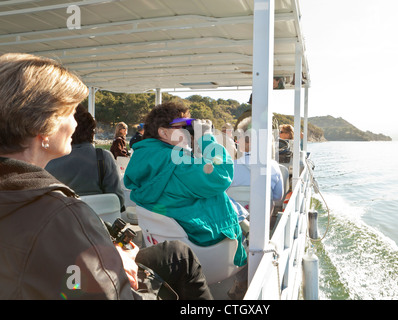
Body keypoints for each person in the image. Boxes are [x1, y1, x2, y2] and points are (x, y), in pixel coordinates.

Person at [0, 53, 212, 300]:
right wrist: (110, 266)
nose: (74, 125)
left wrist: (107, 254)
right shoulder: (63, 214)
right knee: (179, 257)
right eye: (69, 113)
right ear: (43, 125)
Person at [123, 102, 247, 269]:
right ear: (163, 132)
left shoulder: (144, 156)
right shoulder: (176, 162)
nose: (189, 132)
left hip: (169, 241)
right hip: (201, 244)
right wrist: (206, 139)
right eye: (184, 127)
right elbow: (221, 175)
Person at [45, 105, 126, 212]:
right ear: (91, 131)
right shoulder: (103, 157)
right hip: (100, 224)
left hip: (62, 224)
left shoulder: (48, 161)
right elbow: (118, 201)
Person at [231, 116, 284, 207]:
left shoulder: (230, 167)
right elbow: (278, 197)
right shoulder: (273, 166)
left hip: (236, 219)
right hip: (264, 219)